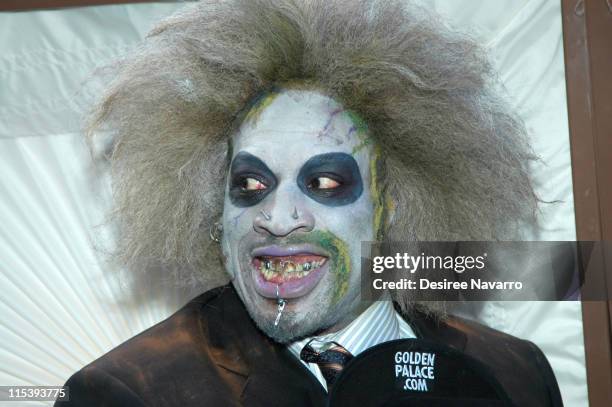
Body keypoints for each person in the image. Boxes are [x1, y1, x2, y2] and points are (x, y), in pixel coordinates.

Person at [56, 0, 562, 405]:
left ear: (396, 204)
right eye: (251, 185)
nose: (277, 219)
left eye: (323, 183)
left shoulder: (514, 372)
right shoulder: (123, 393)